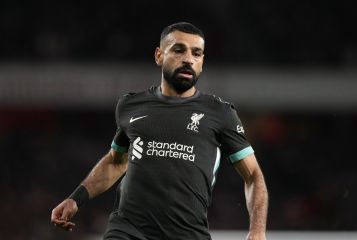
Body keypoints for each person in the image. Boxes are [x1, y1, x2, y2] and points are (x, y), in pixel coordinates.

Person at [51, 22, 268, 240]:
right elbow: (117, 161)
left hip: (187, 234)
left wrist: (257, 231)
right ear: (159, 55)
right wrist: (75, 198)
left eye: (197, 53)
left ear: (202, 63)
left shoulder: (219, 112)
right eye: (178, 50)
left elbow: (253, 175)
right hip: (128, 230)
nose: (188, 59)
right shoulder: (131, 105)